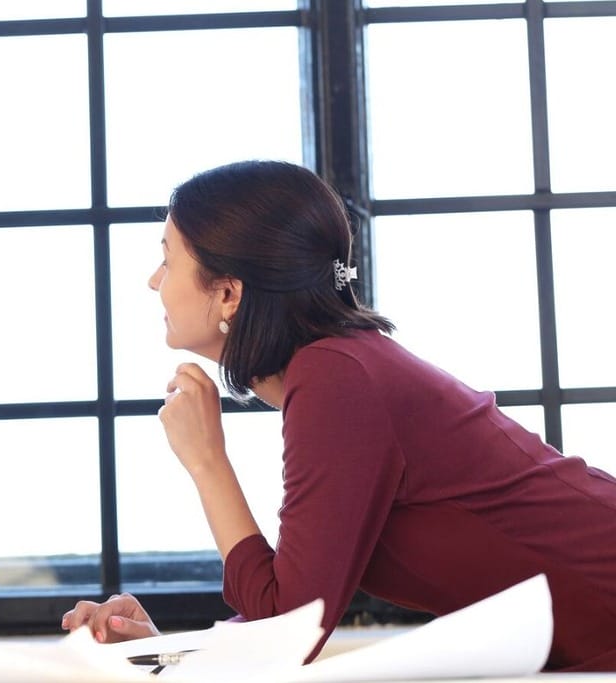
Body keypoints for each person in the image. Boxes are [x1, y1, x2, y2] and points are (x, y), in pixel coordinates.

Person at [60, 160, 616, 671]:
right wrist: (161, 650)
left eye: (166, 259)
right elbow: (294, 607)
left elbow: (289, 630)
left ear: (228, 293)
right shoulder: (338, 367)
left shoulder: (337, 379)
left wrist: (208, 463)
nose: (154, 281)